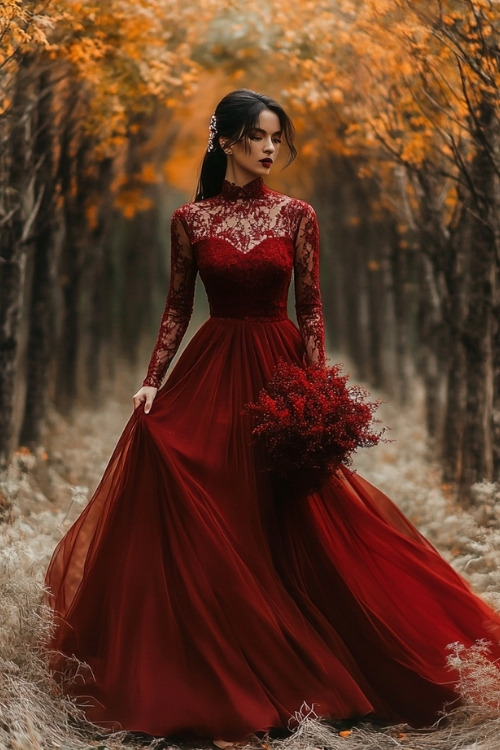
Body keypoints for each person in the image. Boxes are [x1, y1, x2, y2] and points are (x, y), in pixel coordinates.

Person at [45, 89, 500, 745]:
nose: (270, 148)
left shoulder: (297, 215)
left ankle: (338, 673)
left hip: (279, 375)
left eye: (277, 138)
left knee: (295, 518)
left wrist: (317, 395)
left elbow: (311, 310)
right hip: (213, 371)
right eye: (259, 135)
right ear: (226, 139)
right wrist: (151, 384)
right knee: (217, 512)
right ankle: (221, 674)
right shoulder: (189, 220)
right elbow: (177, 308)